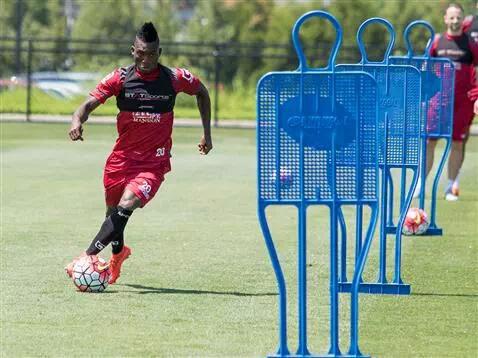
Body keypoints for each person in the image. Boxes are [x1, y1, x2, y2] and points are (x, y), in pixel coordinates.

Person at [65, 22, 212, 284]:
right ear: (133, 50)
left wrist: (207, 133)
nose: (146, 59)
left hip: (153, 163)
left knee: (127, 204)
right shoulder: (119, 78)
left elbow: (201, 92)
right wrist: (77, 120)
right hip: (120, 160)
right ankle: (119, 254)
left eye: (152, 54)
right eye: (141, 53)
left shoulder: (174, 78)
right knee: (113, 216)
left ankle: (86, 256)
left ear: (160, 52)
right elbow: (86, 105)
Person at [421, 3, 478, 201]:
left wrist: (477, 97)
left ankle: (450, 186)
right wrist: (424, 96)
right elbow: (425, 71)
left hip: (463, 102)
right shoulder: (436, 42)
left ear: (463, 20)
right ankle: (421, 184)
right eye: (451, 17)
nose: (455, 21)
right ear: (445, 19)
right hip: (438, 102)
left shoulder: (471, 44)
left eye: (458, 17)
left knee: (457, 142)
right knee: (430, 141)